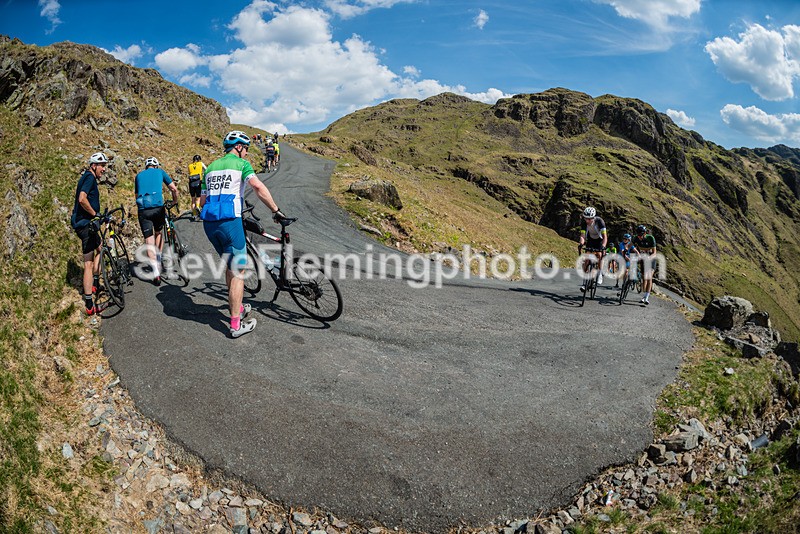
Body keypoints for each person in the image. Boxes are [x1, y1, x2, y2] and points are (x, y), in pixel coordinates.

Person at [200, 130, 286, 338]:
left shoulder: (210, 167)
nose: (247, 153)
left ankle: (236, 309)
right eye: (246, 148)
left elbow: (202, 202)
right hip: (230, 221)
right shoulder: (241, 165)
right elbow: (257, 186)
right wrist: (276, 211)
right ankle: (236, 325)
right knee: (239, 271)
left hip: (210, 224)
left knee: (230, 265)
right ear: (238, 147)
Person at [71, 152, 108, 317]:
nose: (104, 169)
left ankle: (94, 284)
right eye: (102, 166)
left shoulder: (88, 178)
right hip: (85, 225)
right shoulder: (89, 178)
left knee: (100, 247)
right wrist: (95, 214)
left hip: (86, 224)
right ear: (94, 165)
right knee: (88, 263)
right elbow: (82, 198)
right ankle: (89, 304)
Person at [135, 156, 179, 285]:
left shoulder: (138, 176)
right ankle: (158, 258)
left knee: (149, 239)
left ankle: (155, 272)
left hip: (143, 209)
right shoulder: (160, 172)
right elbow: (174, 189)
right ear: (156, 165)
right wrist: (175, 201)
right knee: (158, 232)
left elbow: (136, 195)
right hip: (158, 208)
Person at [577, 206, 608, 292]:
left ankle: (600, 273)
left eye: (589, 219)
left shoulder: (600, 222)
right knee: (586, 259)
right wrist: (581, 243)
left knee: (599, 255)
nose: (587, 221)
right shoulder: (584, 223)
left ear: (593, 218)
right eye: (586, 218)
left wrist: (604, 246)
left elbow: (605, 237)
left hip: (599, 240)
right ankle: (585, 281)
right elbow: (582, 236)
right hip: (590, 240)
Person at [631, 224, 657, 305]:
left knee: (649, 277)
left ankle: (646, 297)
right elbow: (630, 245)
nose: (639, 237)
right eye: (638, 235)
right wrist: (635, 251)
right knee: (644, 277)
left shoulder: (650, 238)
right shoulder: (635, 238)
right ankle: (644, 295)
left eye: (641, 235)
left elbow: (654, 253)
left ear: (645, 233)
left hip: (651, 258)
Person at [187, 155, 206, 221]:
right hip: (198, 182)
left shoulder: (190, 165)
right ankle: (197, 207)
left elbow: (189, 173)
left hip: (191, 183)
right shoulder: (201, 164)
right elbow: (206, 170)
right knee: (198, 198)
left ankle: (194, 214)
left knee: (193, 199)